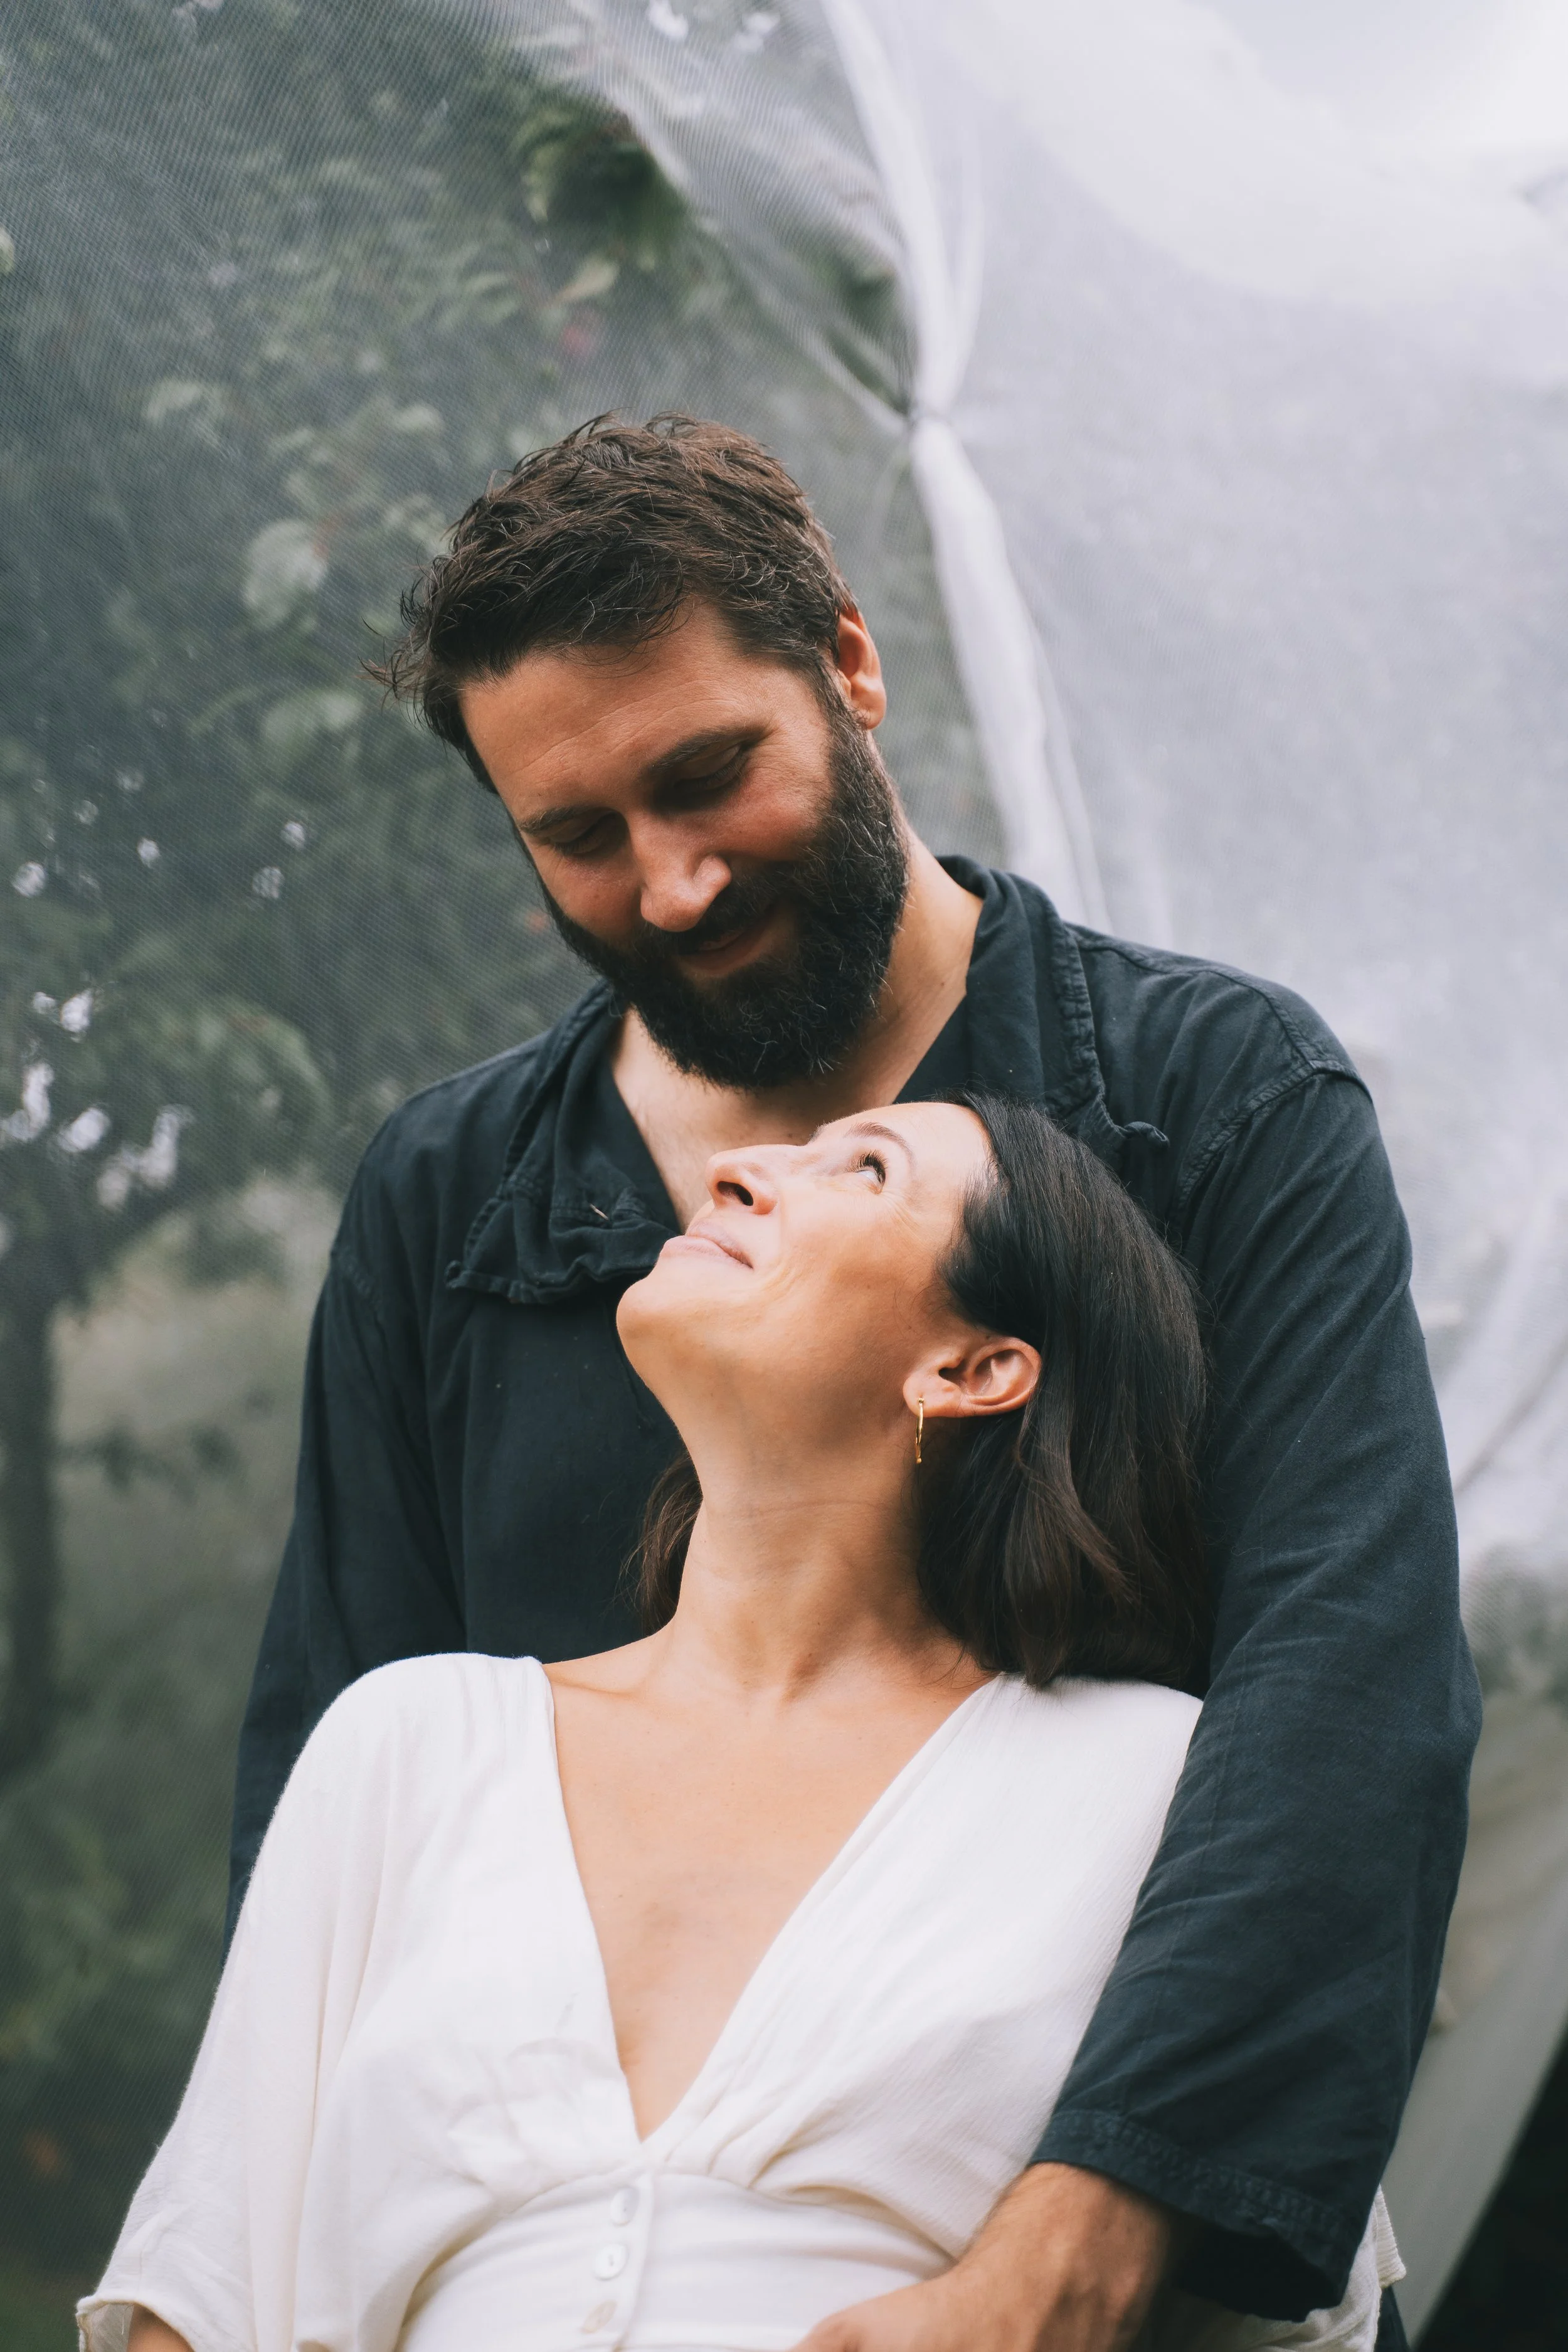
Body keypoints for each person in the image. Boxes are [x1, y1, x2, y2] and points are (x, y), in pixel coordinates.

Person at [226, 418, 1477, 2349]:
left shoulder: (1216, 1098)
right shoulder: (446, 1205)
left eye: (706, 773)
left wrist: (1073, 2244)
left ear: (849, 664)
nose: (670, 883)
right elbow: (327, 1838)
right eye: (578, 833)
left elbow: (1345, 1677)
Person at [85, 1098, 1402, 2352]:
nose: (735, 1170)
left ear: (973, 1367)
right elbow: (201, 2294)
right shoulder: (408, 1742)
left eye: (865, 1168)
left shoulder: (1159, 1786)